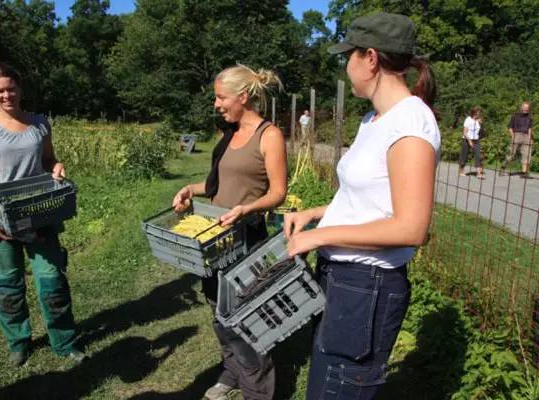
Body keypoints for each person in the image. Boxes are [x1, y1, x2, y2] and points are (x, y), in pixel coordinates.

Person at [284, 12, 440, 400]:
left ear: (370, 58)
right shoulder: (374, 120)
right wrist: (315, 213)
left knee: (339, 388)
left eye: (348, 56)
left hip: (366, 287)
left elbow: (410, 228)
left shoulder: (410, 125)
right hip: (342, 278)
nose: (346, 66)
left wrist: (321, 236)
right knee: (323, 385)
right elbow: (366, 198)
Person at [172, 64, 287, 400]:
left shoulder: (269, 136)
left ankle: (257, 391)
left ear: (244, 96)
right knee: (219, 311)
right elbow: (217, 186)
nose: (216, 104)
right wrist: (190, 190)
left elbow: (278, 192)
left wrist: (247, 208)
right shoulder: (228, 134)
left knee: (250, 320)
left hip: (248, 240)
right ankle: (233, 372)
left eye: (221, 98)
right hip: (215, 241)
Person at [0, 64, 85, 367]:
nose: (7, 94)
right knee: (7, 285)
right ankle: (19, 342)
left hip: (38, 212)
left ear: (20, 89)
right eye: (0, 90)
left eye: (11, 88)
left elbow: (49, 159)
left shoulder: (39, 123)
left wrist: (57, 167)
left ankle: (64, 341)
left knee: (52, 280)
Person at [500, 102, 533, 178]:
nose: (526, 109)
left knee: (527, 154)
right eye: (524, 107)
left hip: (526, 136)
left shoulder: (530, 117)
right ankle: (503, 167)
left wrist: (530, 138)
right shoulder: (515, 116)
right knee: (511, 154)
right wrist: (513, 136)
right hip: (517, 134)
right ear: (521, 107)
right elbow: (510, 127)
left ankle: (524, 173)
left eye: (527, 107)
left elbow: (530, 128)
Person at [458, 107, 484, 179]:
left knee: (478, 155)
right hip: (466, 139)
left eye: (479, 113)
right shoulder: (468, 120)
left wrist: (480, 123)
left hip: (476, 140)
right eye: (478, 113)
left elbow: (480, 131)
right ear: (474, 113)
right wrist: (469, 141)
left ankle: (479, 173)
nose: (479, 114)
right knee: (464, 155)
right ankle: (461, 170)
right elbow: (465, 132)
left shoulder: (478, 120)